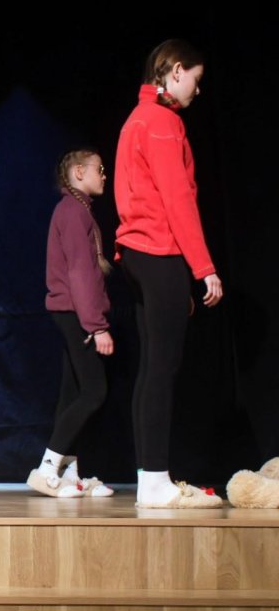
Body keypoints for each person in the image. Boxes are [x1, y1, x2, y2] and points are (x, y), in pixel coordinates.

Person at [114, 39, 223, 509]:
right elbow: (178, 198)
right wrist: (204, 268)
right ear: (176, 71)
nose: (197, 90)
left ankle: (150, 479)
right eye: (196, 80)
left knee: (152, 368)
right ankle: (156, 480)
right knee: (162, 367)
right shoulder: (161, 121)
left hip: (138, 253)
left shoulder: (137, 118)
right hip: (157, 249)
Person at [27, 149, 115, 498]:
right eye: (99, 169)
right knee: (94, 391)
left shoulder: (77, 210)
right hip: (75, 312)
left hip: (72, 311)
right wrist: (96, 326)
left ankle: (70, 473)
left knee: (73, 392)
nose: (104, 175)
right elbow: (80, 272)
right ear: (79, 172)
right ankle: (47, 469)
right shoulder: (73, 211)